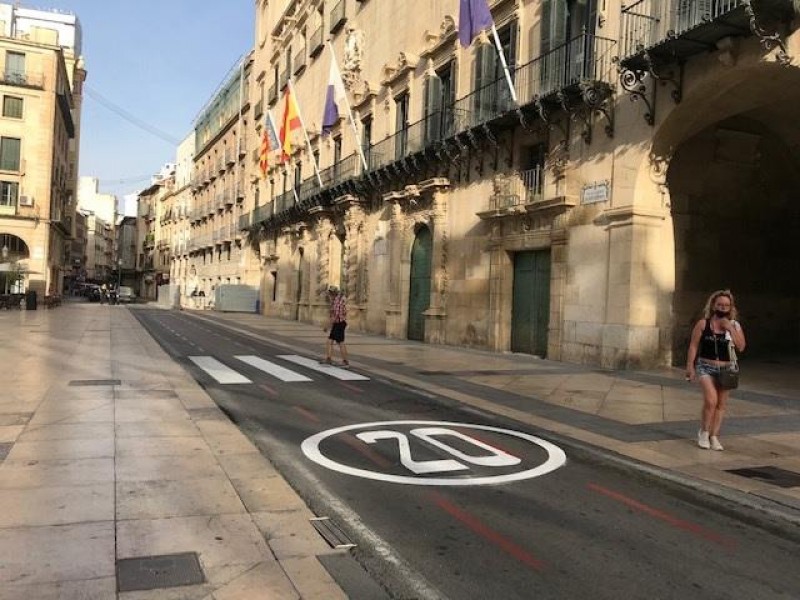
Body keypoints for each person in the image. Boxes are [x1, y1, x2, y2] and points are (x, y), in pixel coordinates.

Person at [685, 290, 746, 451]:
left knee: (721, 404)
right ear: (713, 305)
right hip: (705, 366)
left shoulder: (734, 325)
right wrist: (690, 366)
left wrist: (730, 329)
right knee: (711, 401)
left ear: (730, 307)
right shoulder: (703, 324)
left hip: (725, 369)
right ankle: (704, 432)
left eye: (726, 305)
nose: (723, 308)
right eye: (719, 304)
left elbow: (741, 346)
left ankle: (714, 436)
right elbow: (693, 345)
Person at [322, 285, 349, 366]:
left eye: (330, 293)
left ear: (333, 293)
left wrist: (328, 326)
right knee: (330, 341)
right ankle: (329, 358)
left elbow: (335, 315)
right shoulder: (337, 300)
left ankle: (345, 361)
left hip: (339, 323)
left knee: (340, 342)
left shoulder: (337, 301)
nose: (329, 296)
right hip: (339, 323)